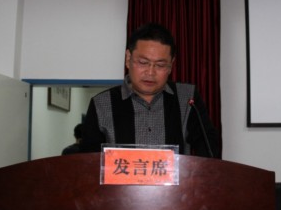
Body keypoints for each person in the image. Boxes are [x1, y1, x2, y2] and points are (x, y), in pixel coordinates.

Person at [80, 23, 219, 158]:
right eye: (143, 62)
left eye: (160, 65)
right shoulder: (102, 104)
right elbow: (87, 162)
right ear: (128, 59)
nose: (150, 72)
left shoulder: (188, 99)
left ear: (171, 65)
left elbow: (209, 150)